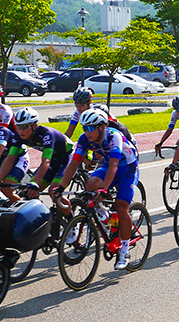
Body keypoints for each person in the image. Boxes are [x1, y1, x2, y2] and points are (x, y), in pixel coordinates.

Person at [53, 109, 140, 269]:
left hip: (127, 167)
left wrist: (105, 189)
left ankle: (125, 250)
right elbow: (73, 164)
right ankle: (105, 217)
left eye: (91, 128)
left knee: (121, 206)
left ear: (102, 127)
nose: (87, 132)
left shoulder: (113, 136)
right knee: (90, 185)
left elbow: (114, 165)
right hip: (109, 165)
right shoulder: (84, 139)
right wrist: (61, 186)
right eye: (85, 128)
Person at [0, 107, 73, 199]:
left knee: (54, 191)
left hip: (67, 159)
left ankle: (68, 214)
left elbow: (46, 161)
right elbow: (10, 158)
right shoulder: (18, 135)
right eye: (18, 126)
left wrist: (35, 181)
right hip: (53, 160)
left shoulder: (47, 134)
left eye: (24, 127)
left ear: (34, 126)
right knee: (30, 192)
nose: (21, 130)